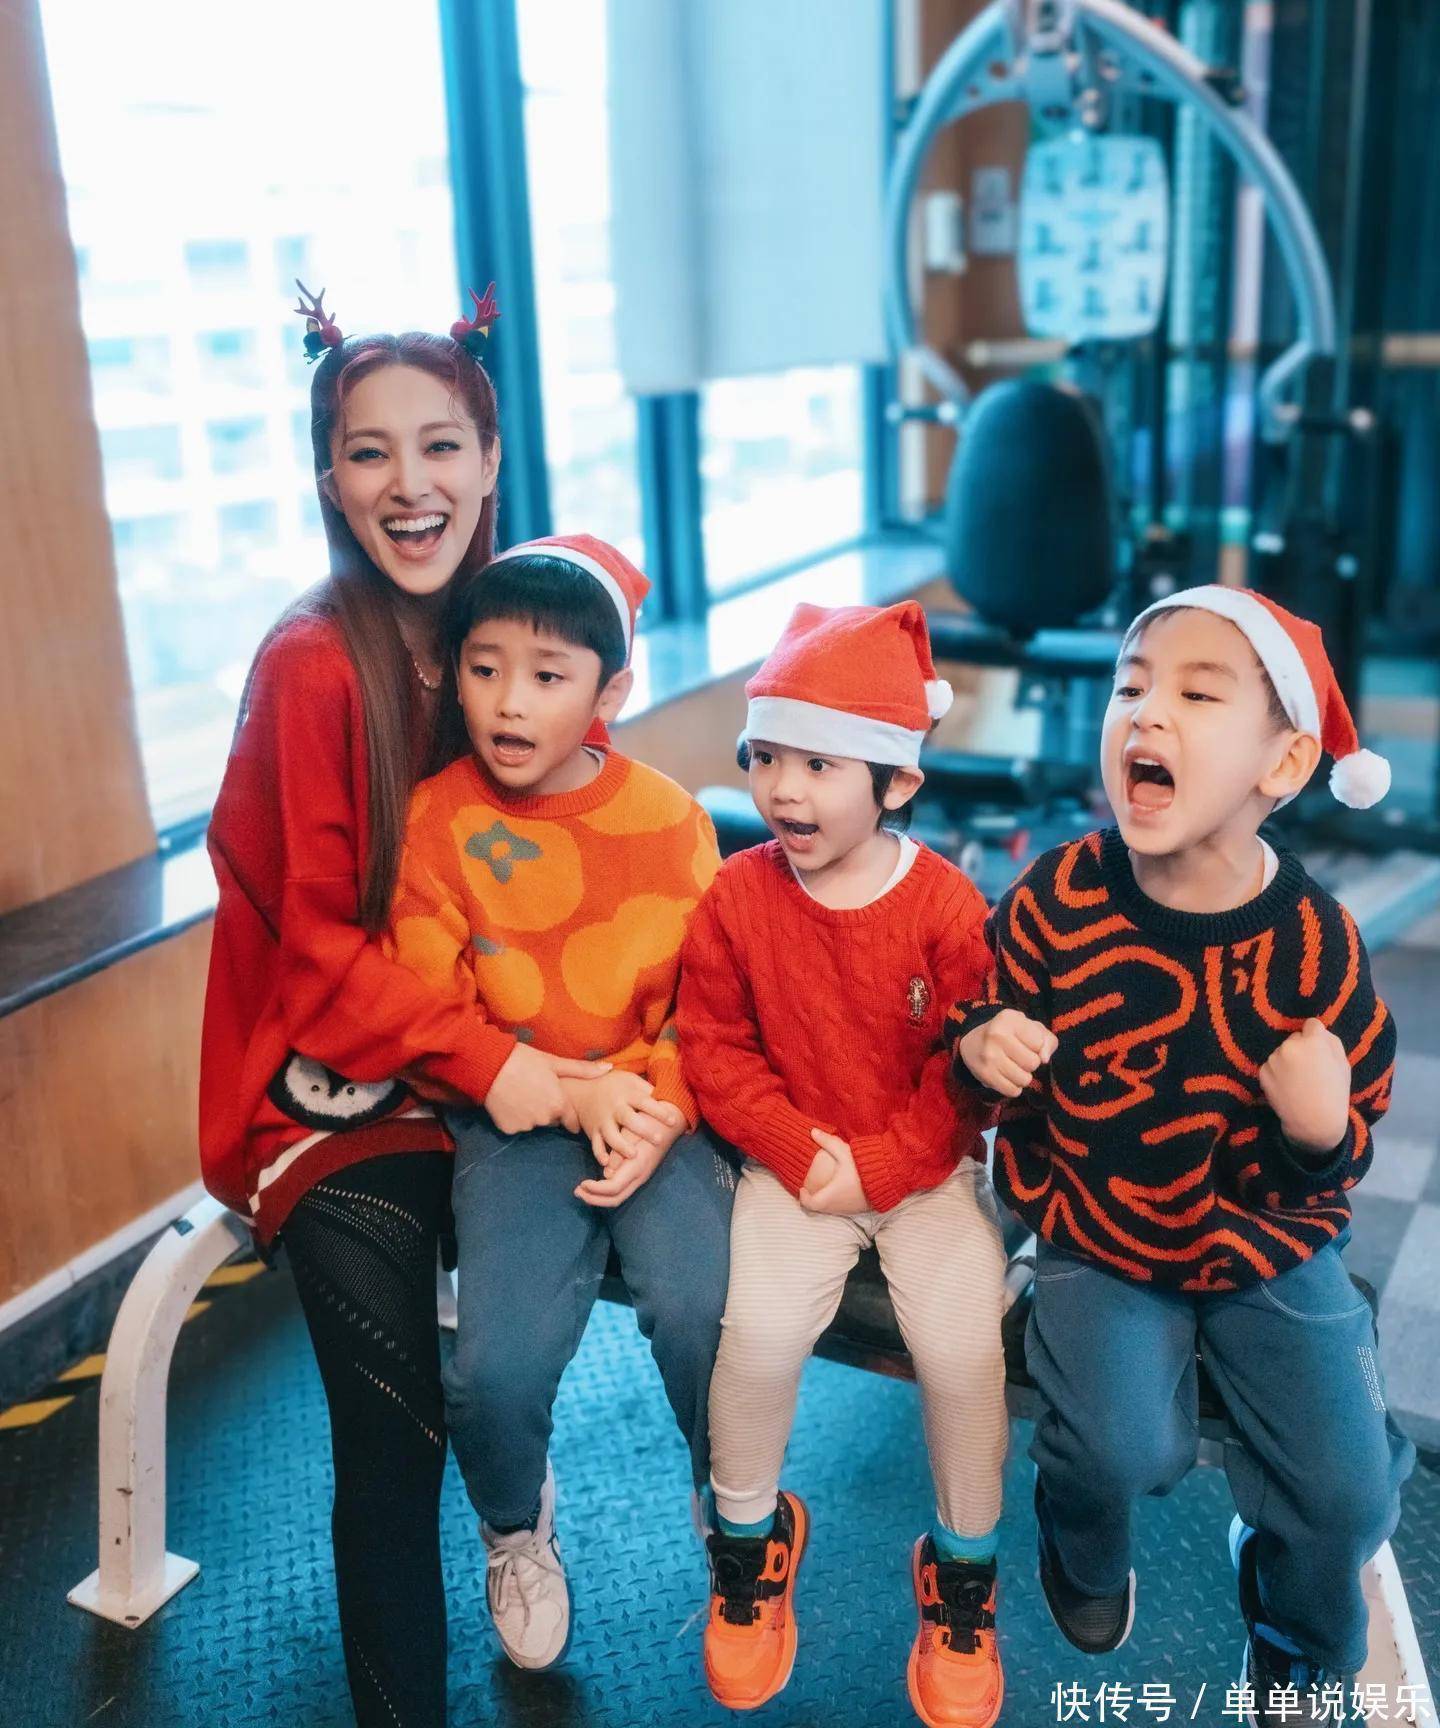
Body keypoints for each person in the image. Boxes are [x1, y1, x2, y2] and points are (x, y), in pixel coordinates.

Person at [199, 285, 606, 1727]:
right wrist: (497, 1068)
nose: (408, 481)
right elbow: (319, 958)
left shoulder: (519, 630)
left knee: (573, 1323)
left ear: (491, 460)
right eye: (367, 452)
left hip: (494, 1060)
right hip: (337, 1092)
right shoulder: (314, 665)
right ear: (329, 479)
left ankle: (517, 1502)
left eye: (440, 445)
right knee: (390, 1439)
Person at [946, 586, 1415, 1728]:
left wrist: (1317, 1129)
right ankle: (1080, 1547)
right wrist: (980, 1045)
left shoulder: (1315, 943)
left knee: (1351, 1496)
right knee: (1116, 1452)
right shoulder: (1058, 896)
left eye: (1198, 697)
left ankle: (1294, 1638)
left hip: (1270, 1243)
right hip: (1102, 1235)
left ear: (1283, 763)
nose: (1146, 714)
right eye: (1131, 687)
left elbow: (1350, 1137)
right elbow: (977, 1029)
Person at [383, 535, 735, 1673]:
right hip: (515, 1121)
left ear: (608, 693)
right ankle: (513, 1524)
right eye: (484, 669)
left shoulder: (672, 821)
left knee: (703, 1309)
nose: (509, 702)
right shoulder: (433, 824)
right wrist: (570, 1094)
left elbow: (711, 1004)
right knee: (493, 1371)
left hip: (656, 1115)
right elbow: (432, 1016)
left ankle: (728, 1493)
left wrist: (661, 1106)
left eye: (547, 675)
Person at [677, 602, 1010, 1728]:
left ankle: (962, 1574)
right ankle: (748, 1546)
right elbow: (712, 1048)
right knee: (759, 1338)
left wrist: (880, 1167)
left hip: (924, 1174)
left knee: (962, 1352)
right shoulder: (738, 895)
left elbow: (967, 1073)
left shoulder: (946, 904)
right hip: (793, 1170)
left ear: (897, 782)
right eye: (767, 757)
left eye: (819, 764)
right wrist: (788, 1146)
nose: (784, 790)